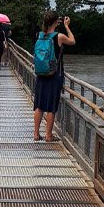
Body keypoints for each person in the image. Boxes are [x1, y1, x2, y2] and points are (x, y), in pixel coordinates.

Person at [33, 11, 75, 142]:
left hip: (40, 73)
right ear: (56, 22)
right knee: (51, 106)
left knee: (39, 105)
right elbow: (73, 41)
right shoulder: (59, 36)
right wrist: (67, 26)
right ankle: (48, 135)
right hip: (54, 75)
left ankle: (36, 134)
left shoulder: (39, 35)